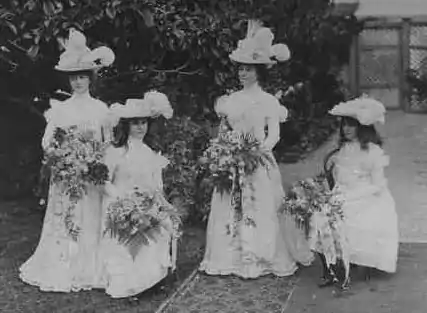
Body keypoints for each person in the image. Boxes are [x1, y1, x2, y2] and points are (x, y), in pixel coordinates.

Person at [199, 20, 313, 278]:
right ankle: (231, 257)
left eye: (248, 70)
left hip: (258, 160)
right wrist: (224, 151)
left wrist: (255, 153)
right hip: (231, 160)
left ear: (259, 72)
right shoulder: (230, 100)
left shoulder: (268, 101)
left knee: (261, 206)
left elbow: (274, 134)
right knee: (229, 205)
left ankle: (261, 256)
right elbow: (224, 130)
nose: (242, 74)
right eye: (240, 69)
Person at [19, 29, 115, 292]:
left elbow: (108, 143)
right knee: (66, 218)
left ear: (90, 79)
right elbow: (47, 142)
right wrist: (63, 157)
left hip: (91, 175)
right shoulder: (60, 109)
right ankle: (63, 263)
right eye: (74, 77)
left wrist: (95, 161)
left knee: (89, 218)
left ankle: (88, 264)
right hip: (66, 175)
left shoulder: (101, 109)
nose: (78, 82)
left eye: (83, 77)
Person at [100, 93, 177, 298]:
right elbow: (104, 181)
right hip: (118, 204)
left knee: (161, 226)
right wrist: (122, 201)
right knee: (130, 230)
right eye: (135, 123)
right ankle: (132, 282)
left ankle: (155, 278)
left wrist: (162, 206)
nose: (140, 127)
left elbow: (156, 187)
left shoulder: (151, 153)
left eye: (143, 122)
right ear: (126, 126)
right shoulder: (115, 152)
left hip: (145, 204)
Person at [323, 96, 399, 287]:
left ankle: (359, 260)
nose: (346, 129)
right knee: (323, 212)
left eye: (351, 125)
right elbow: (339, 176)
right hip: (343, 192)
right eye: (344, 125)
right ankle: (334, 263)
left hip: (368, 195)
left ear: (362, 127)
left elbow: (377, 185)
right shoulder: (343, 149)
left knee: (356, 214)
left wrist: (352, 196)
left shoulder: (372, 151)